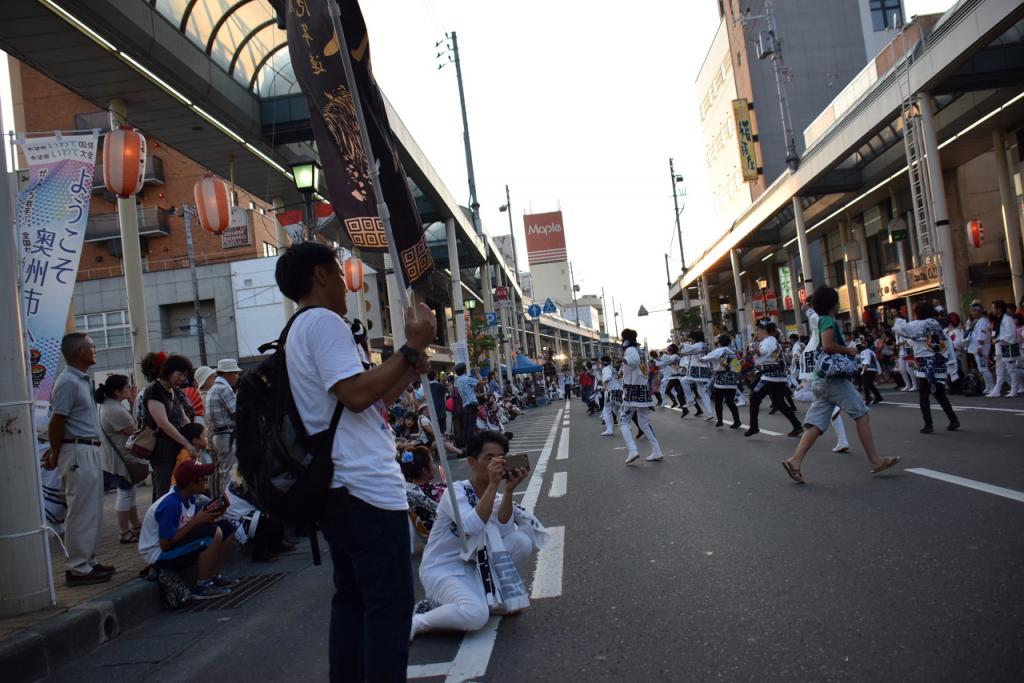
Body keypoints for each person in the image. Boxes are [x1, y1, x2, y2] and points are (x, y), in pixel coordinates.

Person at [274, 240, 436, 681]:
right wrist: (410, 346)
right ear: (320, 275)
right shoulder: (324, 322)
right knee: (388, 606)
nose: (346, 285)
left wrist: (407, 368)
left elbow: (375, 402)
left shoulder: (298, 329)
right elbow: (356, 395)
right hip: (364, 486)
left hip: (337, 487)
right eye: (337, 273)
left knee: (352, 601)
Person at [411, 431, 543, 640]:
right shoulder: (455, 492)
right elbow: (470, 526)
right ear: (472, 462)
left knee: (521, 541)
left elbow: (505, 533)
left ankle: (490, 599)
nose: (496, 463)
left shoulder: (496, 496)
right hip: (444, 568)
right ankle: (418, 620)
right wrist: (493, 485)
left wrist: (509, 490)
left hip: (476, 565)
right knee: (475, 615)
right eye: (489, 458)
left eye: (501, 458)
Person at [781, 287, 900, 483]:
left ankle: (795, 461)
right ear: (832, 304)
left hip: (820, 380)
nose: (838, 304)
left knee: (816, 424)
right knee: (861, 414)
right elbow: (828, 345)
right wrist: (848, 350)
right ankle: (875, 460)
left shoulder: (820, 320)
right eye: (837, 301)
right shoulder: (828, 320)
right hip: (833, 380)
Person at [42, 333, 115, 586]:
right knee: (81, 509)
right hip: (76, 450)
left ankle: (88, 560)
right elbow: (57, 420)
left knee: (91, 509)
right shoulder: (68, 382)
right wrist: (55, 452)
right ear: (78, 352)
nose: (95, 349)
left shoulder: (81, 380)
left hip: (88, 448)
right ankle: (77, 567)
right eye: (90, 346)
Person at [137, 459, 238, 599]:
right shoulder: (171, 504)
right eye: (203, 479)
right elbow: (165, 544)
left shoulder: (190, 498)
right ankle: (203, 585)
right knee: (213, 533)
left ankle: (213, 575)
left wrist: (210, 517)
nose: (206, 482)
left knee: (227, 528)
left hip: (174, 545)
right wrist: (197, 521)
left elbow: (189, 525)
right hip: (159, 555)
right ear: (191, 484)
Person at [893, 302, 960, 433]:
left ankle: (928, 425)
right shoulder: (937, 324)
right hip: (939, 361)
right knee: (939, 394)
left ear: (918, 313)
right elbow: (946, 340)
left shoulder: (916, 325)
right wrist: (951, 362)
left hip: (925, 363)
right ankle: (953, 420)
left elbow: (900, 328)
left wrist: (899, 319)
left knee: (923, 395)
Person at [96, 374, 146, 544]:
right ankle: (124, 531)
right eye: (126, 387)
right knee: (125, 494)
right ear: (117, 391)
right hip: (121, 461)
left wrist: (131, 403)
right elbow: (135, 433)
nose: (129, 389)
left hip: (114, 459)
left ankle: (135, 526)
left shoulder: (107, 406)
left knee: (128, 493)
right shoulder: (115, 410)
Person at [144, 354, 196, 502]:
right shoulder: (154, 390)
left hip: (177, 449)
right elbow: (163, 423)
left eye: (185, 375)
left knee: (179, 490)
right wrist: (187, 443)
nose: (183, 379)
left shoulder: (173, 390)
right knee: (165, 494)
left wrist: (194, 435)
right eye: (180, 374)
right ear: (168, 371)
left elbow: (183, 418)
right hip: (163, 451)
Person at [745, 320, 803, 438]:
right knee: (780, 403)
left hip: (770, 377)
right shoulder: (769, 341)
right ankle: (797, 426)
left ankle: (754, 427)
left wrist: (755, 350)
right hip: (778, 377)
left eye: (759, 330)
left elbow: (765, 351)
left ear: (767, 331)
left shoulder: (769, 340)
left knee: (754, 397)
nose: (757, 332)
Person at [618, 329, 664, 463]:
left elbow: (633, 361)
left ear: (625, 339)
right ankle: (657, 451)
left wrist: (622, 359)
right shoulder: (639, 350)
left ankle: (632, 450)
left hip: (633, 391)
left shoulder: (631, 350)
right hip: (642, 389)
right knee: (644, 422)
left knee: (624, 421)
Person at [206, 358, 241, 493]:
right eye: (235, 373)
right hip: (227, 435)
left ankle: (225, 500)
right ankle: (231, 501)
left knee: (224, 472)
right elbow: (237, 412)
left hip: (218, 435)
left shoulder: (213, 389)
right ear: (227, 374)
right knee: (232, 472)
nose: (237, 376)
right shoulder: (224, 389)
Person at [399, 446, 446, 537]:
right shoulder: (437, 491)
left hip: (428, 537)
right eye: (432, 462)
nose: (435, 466)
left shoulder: (407, 490)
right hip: (444, 534)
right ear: (424, 470)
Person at [703, 334, 742, 428]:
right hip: (732, 379)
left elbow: (706, 358)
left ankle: (720, 421)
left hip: (721, 379)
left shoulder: (718, 351)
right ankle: (737, 421)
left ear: (719, 343)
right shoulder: (733, 351)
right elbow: (737, 365)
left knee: (718, 401)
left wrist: (701, 359)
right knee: (730, 402)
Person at [988, 300, 1022, 398]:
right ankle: (997, 390)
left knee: (1011, 369)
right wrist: (995, 338)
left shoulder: (1008, 319)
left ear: (999, 309)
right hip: (999, 347)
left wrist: (999, 339)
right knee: (999, 370)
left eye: (994, 308)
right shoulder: (998, 319)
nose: (992, 310)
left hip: (1008, 346)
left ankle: (1014, 389)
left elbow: (1011, 334)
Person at [679, 330, 713, 419]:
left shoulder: (698, 345)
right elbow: (689, 351)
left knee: (684, 380)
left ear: (695, 338)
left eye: (692, 338)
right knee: (703, 392)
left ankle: (690, 400)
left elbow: (688, 349)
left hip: (697, 370)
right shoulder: (703, 345)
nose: (691, 340)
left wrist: (682, 344)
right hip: (703, 370)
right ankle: (710, 413)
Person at [965, 302, 994, 394]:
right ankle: (988, 387)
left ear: (979, 311)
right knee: (982, 369)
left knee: (984, 368)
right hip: (976, 347)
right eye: (972, 311)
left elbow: (982, 336)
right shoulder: (977, 321)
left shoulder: (982, 321)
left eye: (974, 311)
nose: (972, 313)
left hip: (980, 348)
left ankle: (992, 387)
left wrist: (980, 347)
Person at [455, 363, 482, 447]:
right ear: (464, 370)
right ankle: (471, 444)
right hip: (472, 402)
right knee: (472, 425)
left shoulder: (457, 381)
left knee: (467, 425)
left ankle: (467, 443)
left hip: (465, 404)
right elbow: (481, 383)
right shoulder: (467, 378)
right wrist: (477, 373)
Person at [599, 355, 621, 436]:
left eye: (600, 362)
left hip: (610, 392)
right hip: (619, 390)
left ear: (603, 363)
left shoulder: (605, 369)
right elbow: (618, 376)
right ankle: (627, 425)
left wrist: (604, 387)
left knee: (606, 411)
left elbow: (607, 378)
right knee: (618, 409)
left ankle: (609, 430)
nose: (600, 364)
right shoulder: (612, 368)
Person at [427, 370, 448, 435]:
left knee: (434, 429)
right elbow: (446, 391)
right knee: (442, 430)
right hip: (440, 409)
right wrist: (444, 382)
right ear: (435, 376)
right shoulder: (439, 385)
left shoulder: (426, 386)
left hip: (431, 410)